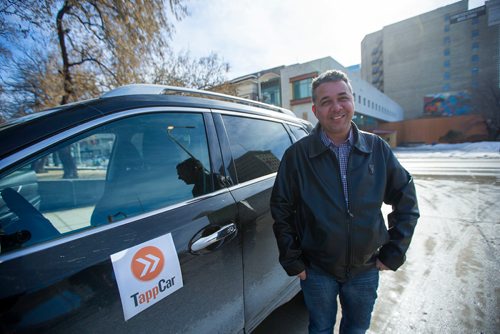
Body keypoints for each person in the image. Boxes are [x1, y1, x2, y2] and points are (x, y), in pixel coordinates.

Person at [271, 69, 419, 334]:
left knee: (356, 329)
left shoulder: (377, 149)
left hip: (365, 269)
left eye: (342, 98)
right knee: (320, 328)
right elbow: (281, 210)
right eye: (326, 102)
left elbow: (405, 197)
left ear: (353, 101)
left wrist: (394, 251)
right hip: (317, 270)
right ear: (315, 110)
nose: (336, 107)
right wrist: (292, 260)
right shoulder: (297, 156)